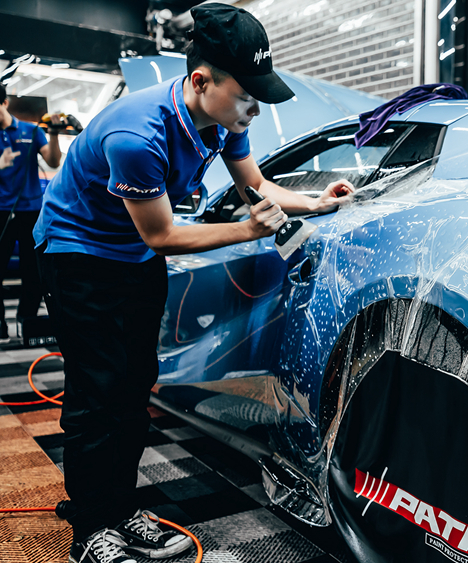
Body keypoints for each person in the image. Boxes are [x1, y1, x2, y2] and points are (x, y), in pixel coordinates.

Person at [32, 4, 354, 563]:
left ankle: (119, 508)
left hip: (133, 256)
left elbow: (256, 184)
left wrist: (316, 201)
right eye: (247, 96)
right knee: (98, 392)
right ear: (201, 82)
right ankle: (92, 527)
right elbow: (162, 235)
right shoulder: (137, 135)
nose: (256, 109)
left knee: (135, 385)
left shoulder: (224, 121)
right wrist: (247, 230)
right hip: (77, 255)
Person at [0, 83, 62, 340]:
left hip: (30, 211)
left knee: (33, 272)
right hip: (1, 212)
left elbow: (53, 161)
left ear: (4, 103)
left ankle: (26, 320)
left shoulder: (31, 130)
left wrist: (54, 134)